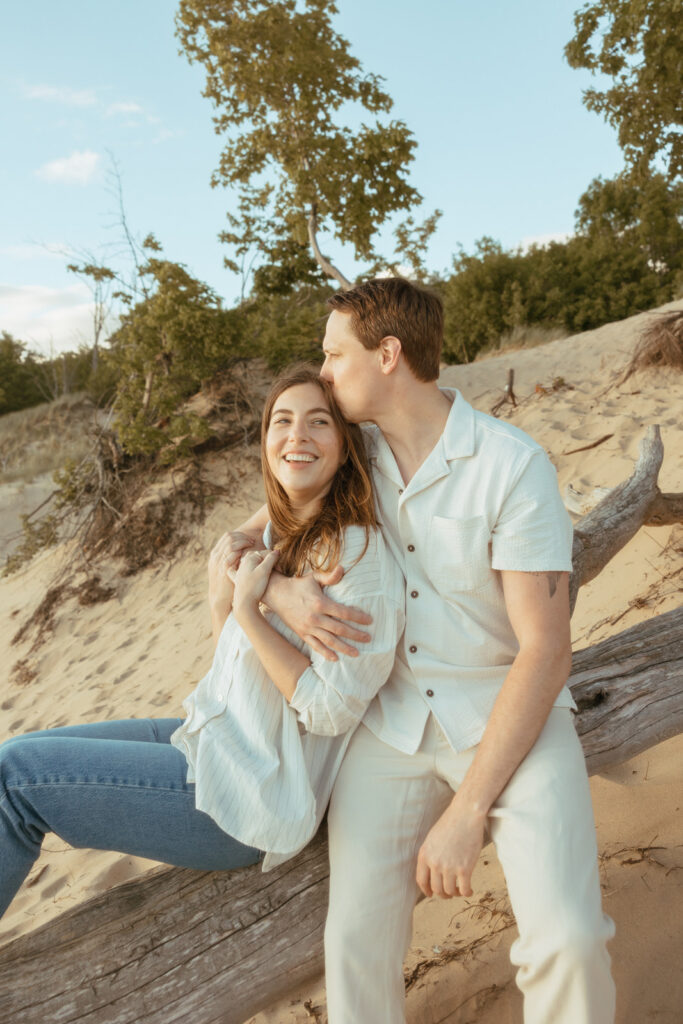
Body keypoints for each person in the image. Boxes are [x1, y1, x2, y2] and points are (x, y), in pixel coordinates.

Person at [231, 279, 616, 1024]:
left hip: (508, 717)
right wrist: (280, 594)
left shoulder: (510, 465)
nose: (325, 370)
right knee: (353, 945)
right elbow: (240, 545)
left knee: (567, 941)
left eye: (334, 354)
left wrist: (467, 810)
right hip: (391, 724)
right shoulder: (349, 455)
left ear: (387, 354)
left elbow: (545, 650)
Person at [0, 365, 404, 920]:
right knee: (13, 759)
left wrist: (247, 608)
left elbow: (330, 710)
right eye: (281, 421)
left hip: (248, 799)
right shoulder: (277, 534)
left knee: (16, 779)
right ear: (265, 442)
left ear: (345, 446)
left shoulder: (355, 560)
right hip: (214, 739)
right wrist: (232, 606)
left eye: (318, 423)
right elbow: (235, 675)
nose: (296, 436)